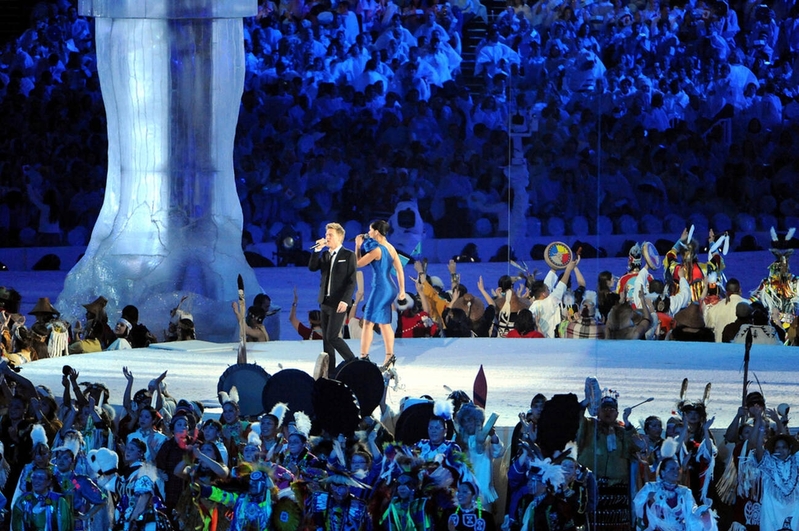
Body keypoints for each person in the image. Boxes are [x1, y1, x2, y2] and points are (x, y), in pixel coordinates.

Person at [355, 220, 406, 370]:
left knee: (368, 322)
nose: (369, 232)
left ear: (377, 231)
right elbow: (400, 270)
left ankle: (363, 356)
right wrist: (402, 290)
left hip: (381, 288)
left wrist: (358, 246)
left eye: (370, 230)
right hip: (391, 288)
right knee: (384, 324)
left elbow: (358, 263)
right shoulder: (390, 248)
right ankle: (390, 356)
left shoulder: (377, 250)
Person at [632, 441, 717, 531]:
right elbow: (638, 509)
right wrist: (649, 502)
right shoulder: (650, 488)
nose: (676, 471)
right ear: (663, 472)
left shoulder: (685, 492)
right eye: (672, 469)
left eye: (677, 469)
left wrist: (703, 513)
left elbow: (691, 514)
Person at [309, 222, 358, 377]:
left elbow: (351, 280)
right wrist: (317, 250)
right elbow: (312, 267)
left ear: (339, 237)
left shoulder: (348, 255)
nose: (327, 238)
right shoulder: (324, 255)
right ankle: (331, 374)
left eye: (330, 235)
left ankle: (353, 362)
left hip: (339, 302)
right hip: (325, 301)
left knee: (332, 336)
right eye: (326, 235)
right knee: (327, 341)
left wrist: (345, 300)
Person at [11, 467, 73, 531]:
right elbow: (17, 526)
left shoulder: (59, 501)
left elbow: (64, 526)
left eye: (41, 478)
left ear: (48, 482)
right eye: (34, 477)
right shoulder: (22, 501)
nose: (36, 481)